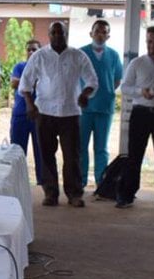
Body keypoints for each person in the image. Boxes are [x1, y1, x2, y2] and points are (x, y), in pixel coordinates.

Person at [17, 21, 98, 208]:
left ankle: (74, 194)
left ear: (66, 34)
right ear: (49, 34)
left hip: (70, 113)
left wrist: (85, 94)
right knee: (46, 154)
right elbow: (26, 83)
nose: (57, 36)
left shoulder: (78, 56)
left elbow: (92, 79)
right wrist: (30, 105)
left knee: (72, 156)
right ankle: (51, 193)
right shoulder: (39, 56)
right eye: (53, 33)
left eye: (60, 33)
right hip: (44, 112)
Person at [116, 26, 154, 210]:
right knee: (134, 156)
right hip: (140, 112)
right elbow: (124, 88)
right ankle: (127, 194)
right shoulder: (137, 63)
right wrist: (140, 92)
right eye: (149, 41)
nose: (152, 45)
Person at [79, 19, 124, 188]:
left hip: (105, 107)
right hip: (84, 107)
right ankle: (81, 180)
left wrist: (106, 91)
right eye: (97, 31)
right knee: (81, 145)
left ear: (108, 36)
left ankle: (101, 182)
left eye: (104, 32)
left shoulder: (113, 55)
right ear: (91, 33)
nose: (100, 34)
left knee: (101, 147)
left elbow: (118, 78)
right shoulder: (81, 53)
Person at [9, 39, 44, 184]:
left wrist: (25, 82)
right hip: (20, 114)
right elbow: (14, 83)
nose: (31, 52)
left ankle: (42, 182)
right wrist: (34, 82)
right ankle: (17, 181)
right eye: (29, 49)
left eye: (34, 49)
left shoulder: (44, 68)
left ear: (39, 51)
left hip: (40, 114)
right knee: (17, 151)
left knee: (41, 151)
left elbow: (23, 83)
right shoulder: (20, 66)